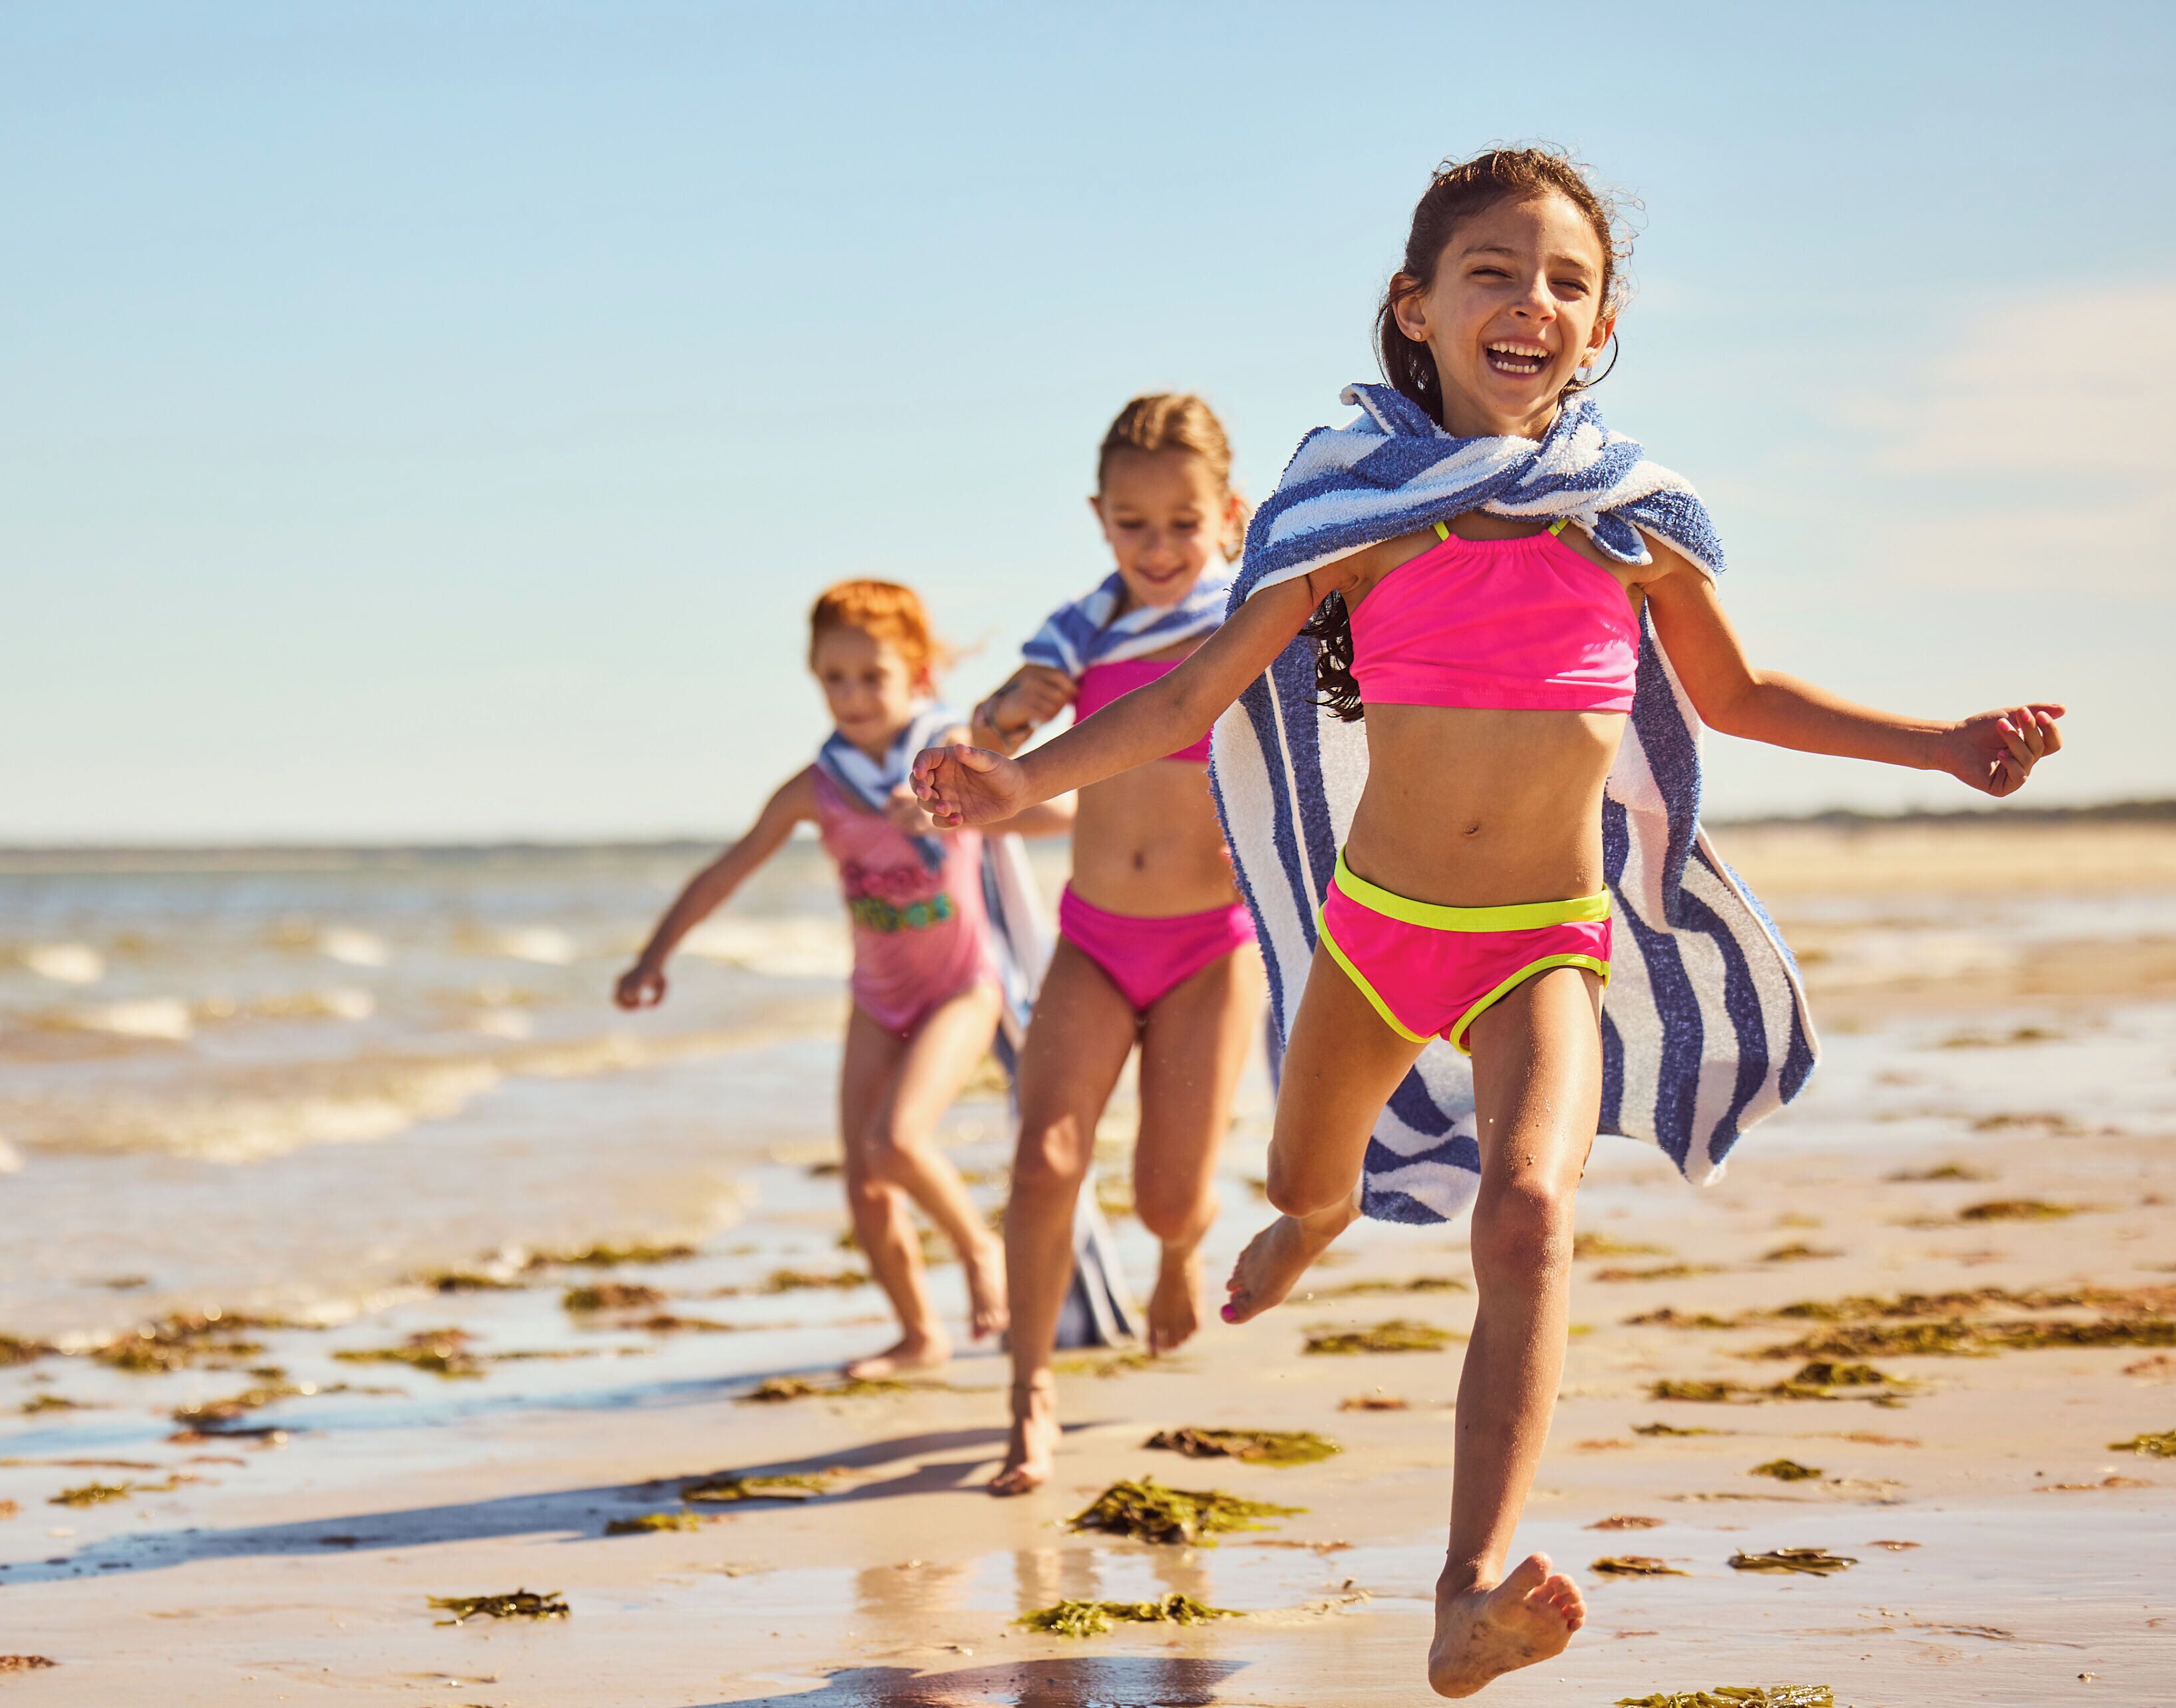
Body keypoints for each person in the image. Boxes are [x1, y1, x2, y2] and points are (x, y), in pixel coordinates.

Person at [913, 148, 2064, 1695]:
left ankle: (1462, 1589)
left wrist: (1937, 742)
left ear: (1600, 325)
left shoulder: (1626, 523)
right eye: (1493, 274)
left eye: (1567, 282)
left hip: (1544, 938)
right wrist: (1009, 786)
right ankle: (1317, 1218)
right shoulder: (1355, 518)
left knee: (1523, 1213)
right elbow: (1192, 694)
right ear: (1416, 306)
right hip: (1377, 932)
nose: (1531, 302)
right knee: (1300, 1176)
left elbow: (1733, 696)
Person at [617, 579, 1065, 1379]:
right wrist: (655, 955)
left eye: (873, 676)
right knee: (864, 1181)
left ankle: (979, 1249)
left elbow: (1054, 814)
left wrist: (947, 808)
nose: (853, 695)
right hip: (877, 997)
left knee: (895, 1140)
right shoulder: (817, 787)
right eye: (835, 677)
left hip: (964, 986)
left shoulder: (950, 751)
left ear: (919, 674)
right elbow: (727, 871)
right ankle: (919, 1334)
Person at [966, 394, 1267, 1495]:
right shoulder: (1081, 627)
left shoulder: (1252, 620)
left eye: (1181, 524)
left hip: (1209, 947)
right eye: (1132, 524)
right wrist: (992, 729)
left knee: (1168, 1198)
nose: (1156, 548)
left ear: (1228, 514)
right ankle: (1029, 1397)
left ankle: (1181, 1254)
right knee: (1044, 1162)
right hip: (1093, 941)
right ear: (1100, 517)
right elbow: (1004, 718)